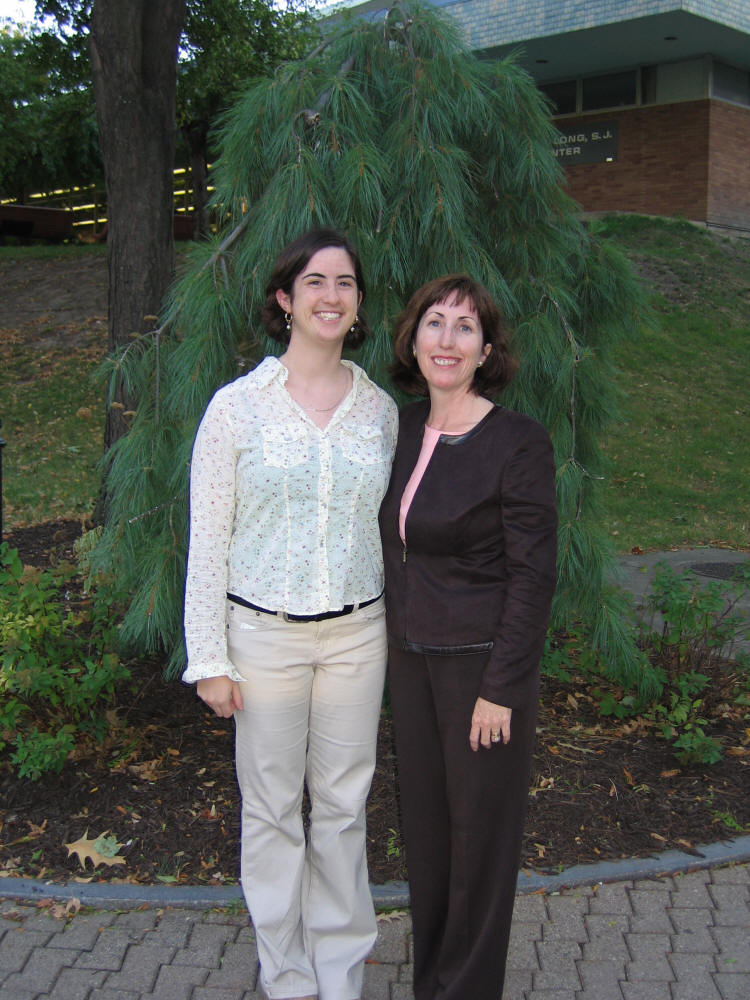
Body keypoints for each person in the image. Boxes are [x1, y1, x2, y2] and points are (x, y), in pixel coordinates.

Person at [183, 228, 398, 1000]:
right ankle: (287, 975)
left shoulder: (379, 411)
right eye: (314, 282)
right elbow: (208, 537)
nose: (330, 296)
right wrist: (208, 658)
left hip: (356, 637)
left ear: (359, 302)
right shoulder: (236, 409)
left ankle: (339, 973)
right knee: (273, 812)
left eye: (345, 283)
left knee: (342, 808)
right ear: (285, 298)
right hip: (262, 640)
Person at [378, 275, 558, 1000]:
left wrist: (502, 689)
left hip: (481, 671)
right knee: (427, 841)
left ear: (486, 351)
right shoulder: (397, 429)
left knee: (478, 845)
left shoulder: (517, 442)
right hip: (409, 663)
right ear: (414, 338)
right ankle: (432, 985)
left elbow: (533, 577)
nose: (446, 340)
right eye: (435, 323)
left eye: (465, 327)